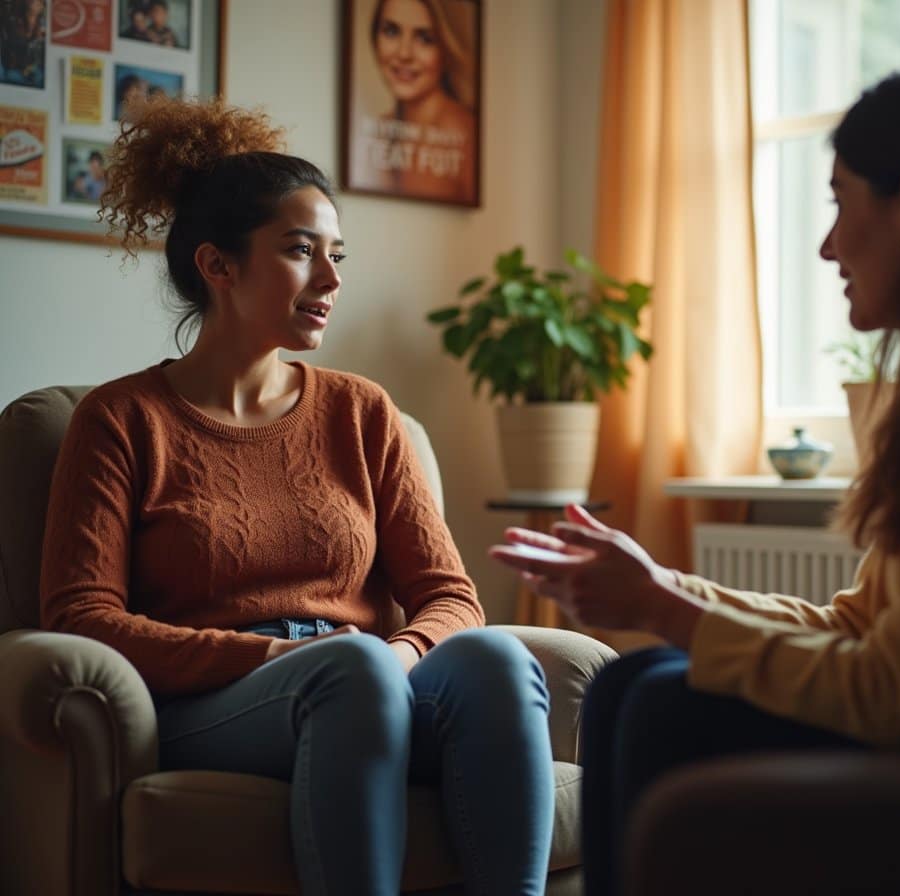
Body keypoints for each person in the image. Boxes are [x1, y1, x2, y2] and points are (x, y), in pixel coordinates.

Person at [489, 53, 900, 896]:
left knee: (661, 705)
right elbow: (859, 623)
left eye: (841, 202)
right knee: (629, 686)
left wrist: (664, 608)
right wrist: (666, 587)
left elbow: (891, 692)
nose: (827, 243)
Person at [40, 95, 554, 896]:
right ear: (218, 265)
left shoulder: (362, 410)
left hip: (372, 676)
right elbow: (81, 617)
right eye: (300, 251)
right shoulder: (120, 421)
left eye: (337, 255)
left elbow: (451, 595)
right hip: (227, 702)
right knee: (347, 671)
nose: (331, 278)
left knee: (494, 657)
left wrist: (401, 654)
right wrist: (284, 655)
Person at [368, 0, 477, 203]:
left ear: (446, 46)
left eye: (425, 39)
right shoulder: (381, 127)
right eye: (391, 31)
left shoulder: (464, 130)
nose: (404, 53)